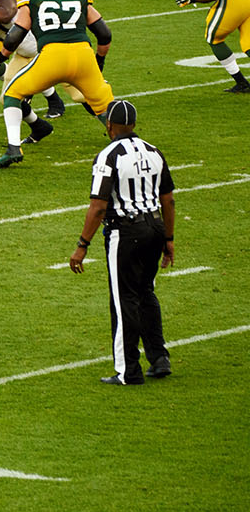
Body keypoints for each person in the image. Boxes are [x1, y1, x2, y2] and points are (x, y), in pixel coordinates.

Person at [69, 100, 175, 386]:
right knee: (146, 293)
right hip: (154, 226)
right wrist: (169, 237)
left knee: (123, 299)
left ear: (109, 125)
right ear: (135, 125)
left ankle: (128, 370)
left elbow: (99, 206)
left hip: (125, 232)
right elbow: (168, 199)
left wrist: (82, 244)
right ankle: (159, 357)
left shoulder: (108, 155)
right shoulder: (154, 152)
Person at [0, 0, 114, 167]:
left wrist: (2, 56)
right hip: (83, 56)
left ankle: (14, 148)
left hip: (52, 57)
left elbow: (17, 33)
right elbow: (104, 34)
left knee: (12, 94)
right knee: (103, 106)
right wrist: (99, 60)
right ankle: (124, 142)